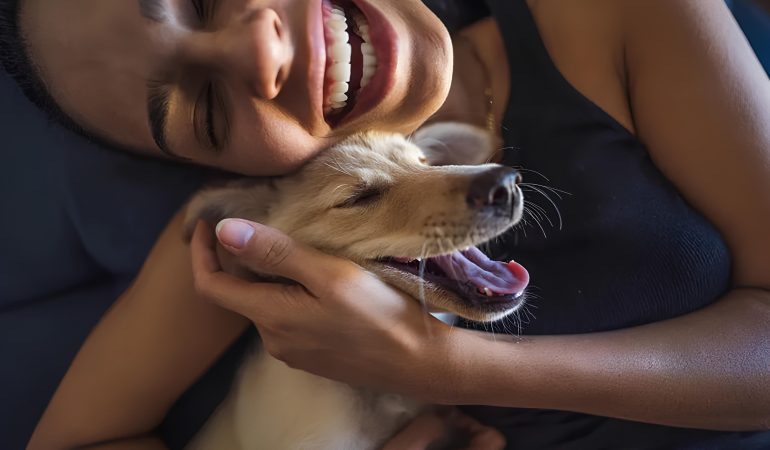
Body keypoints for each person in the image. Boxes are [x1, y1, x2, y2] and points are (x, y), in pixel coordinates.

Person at [1, 0, 768, 448]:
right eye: (204, 106)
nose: (259, 46)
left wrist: (442, 366)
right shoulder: (256, 229)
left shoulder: (615, 16)